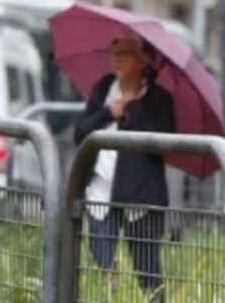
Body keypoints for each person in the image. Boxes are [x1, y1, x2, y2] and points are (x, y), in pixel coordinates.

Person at [74, 33, 175, 298]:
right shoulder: (103, 88)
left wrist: (133, 110)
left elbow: (163, 142)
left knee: (149, 272)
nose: (115, 60)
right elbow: (80, 133)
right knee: (101, 267)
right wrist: (108, 112)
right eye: (113, 53)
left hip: (142, 197)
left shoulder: (159, 99)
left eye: (124, 54)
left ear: (142, 61)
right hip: (101, 193)